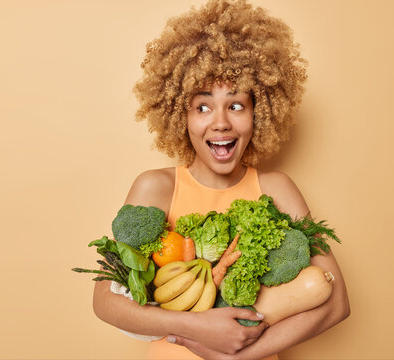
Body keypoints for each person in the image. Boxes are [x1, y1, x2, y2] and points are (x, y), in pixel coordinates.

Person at [92, 0, 350, 359]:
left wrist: (237, 355)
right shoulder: (156, 188)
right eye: (202, 106)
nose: (221, 123)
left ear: (259, 112)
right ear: (178, 113)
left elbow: (336, 303)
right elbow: (105, 301)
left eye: (236, 105)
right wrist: (196, 327)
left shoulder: (277, 189)